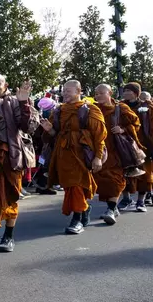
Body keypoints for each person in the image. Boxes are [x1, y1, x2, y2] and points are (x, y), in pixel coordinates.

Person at [0, 73, 38, 252]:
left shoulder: (13, 102)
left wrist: (23, 103)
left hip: (8, 155)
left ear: (5, 85)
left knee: (10, 195)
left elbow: (27, 127)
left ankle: (8, 236)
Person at [41, 80, 106, 234]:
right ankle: (84, 208)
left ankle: (76, 220)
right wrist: (49, 130)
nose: (65, 93)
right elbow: (53, 135)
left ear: (79, 91)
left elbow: (99, 136)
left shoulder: (90, 109)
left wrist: (98, 157)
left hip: (81, 153)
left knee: (77, 184)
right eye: (64, 91)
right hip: (63, 154)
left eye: (69, 91)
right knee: (70, 185)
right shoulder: (58, 110)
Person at [93, 84, 143, 225]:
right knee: (102, 180)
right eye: (96, 94)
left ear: (110, 93)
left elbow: (136, 124)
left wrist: (123, 129)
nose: (98, 96)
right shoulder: (93, 109)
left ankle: (110, 209)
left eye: (101, 93)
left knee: (115, 179)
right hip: (100, 149)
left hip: (116, 149)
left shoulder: (121, 108)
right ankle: (113, 207)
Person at [117, 83, 153, 212]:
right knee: (125, 172)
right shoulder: (120, 106)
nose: (126, 92)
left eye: (129, 90)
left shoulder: (148, 106)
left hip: (144, 145)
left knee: (145, 174)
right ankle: (126, 198)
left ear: (135, 93)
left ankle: (141, 201)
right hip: (125, 144)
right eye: (125, 90)